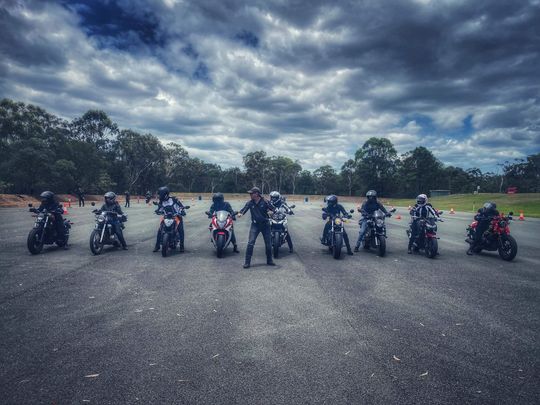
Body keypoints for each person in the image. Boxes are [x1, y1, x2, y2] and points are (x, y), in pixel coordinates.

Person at [237, 187, 275, 268]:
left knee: (268, 244)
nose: (250, 195)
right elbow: (244, 209)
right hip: (255, 225)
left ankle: (269, 260)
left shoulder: (265, 201)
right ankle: (247, 262)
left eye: (251, 193)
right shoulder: (250, 203)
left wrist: (271, 212)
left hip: (265, 225)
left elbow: (273, 209)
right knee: (250, 243)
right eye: (250, 193)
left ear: (257, 194)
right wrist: (240, 214)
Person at [153, 186, 186, 252]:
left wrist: (182, 211)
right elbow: (159, 208)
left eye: (160, 194)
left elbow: (181, 206)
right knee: (160, 230)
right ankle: (157, 246)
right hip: (166, 216)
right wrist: (157, 211)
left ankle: (182, 246)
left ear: (165, 194)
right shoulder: (161, 201)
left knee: (181, 230)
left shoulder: (174, 199)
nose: (159, 196)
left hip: (176, 216)